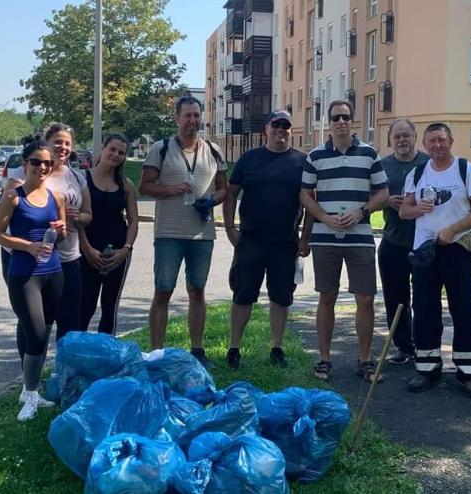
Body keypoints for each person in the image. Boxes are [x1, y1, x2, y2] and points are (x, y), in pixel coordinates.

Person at [300, 100, 389, 383]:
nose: (341, 122)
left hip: (360, 238)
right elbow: (304, 195)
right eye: (336, 117)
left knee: (365, 298)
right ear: (329, 122)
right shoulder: (315, 156)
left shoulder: (369, 154)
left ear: (353, 121)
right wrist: (324, 218)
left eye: (346, 117)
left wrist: (362, 211)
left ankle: (364, 360)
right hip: (325, 237)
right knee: (327, 297)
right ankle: (324, 359)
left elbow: (383, 193)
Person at [399, 123, 471, 397]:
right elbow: (404, 211)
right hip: (425, 250)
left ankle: (469, 372)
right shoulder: (417, 172)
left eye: (441, 140)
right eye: (431, 142)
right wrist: (417, 209)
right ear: (424, 145)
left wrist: (453, 230)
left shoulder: (465, 169)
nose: (437, 146)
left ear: (451, 140)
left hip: (458, 248)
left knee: (463, 308)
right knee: (425, 309)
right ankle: (426, 368)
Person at [139, 95, 228, 366]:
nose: (192, 120)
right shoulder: (161, 148)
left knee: (197, 290)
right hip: (169, 233)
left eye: (196, 115)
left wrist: (211, 200)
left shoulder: (213, 150)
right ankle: (156, 353)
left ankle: (197, 351)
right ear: (177, 118)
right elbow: (144, 186)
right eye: (187, 115)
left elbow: (225, 189)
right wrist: (170, 190)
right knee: (163, 290)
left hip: (202, 234)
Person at [222, 110, 308, 369]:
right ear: (266, 130)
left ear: (291, 130)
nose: (281, 129)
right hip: (250, 240)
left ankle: (277, 348)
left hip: (285, 242)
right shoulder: (249, 159)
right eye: (276, 124)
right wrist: (229, 228)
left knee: (281, 297)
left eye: (286, 125)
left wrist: (306, 237)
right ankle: (234, 348)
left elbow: (310, 199)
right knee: (243, 294)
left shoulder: (302, 162)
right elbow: (230, 194)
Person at [0, 139, 67, 421]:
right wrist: (28, 246)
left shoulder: (56, 198)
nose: (42, 167)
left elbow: (61, 234)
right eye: (36, 162)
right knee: (33, 333)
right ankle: (30, 393)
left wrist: (61, 229)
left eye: (47, 163)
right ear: (25, 165)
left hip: (53, 272)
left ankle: (31, 390)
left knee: (45, 331)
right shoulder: (14, 196)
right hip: (24, 274)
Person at [7, 123, 93, 339]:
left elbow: (87, 215)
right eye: (58, 142)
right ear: (46, 143)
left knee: (70, 323)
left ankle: (64, 371)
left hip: (68, 257)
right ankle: (31, 371)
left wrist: (75, 217)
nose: (62, 147)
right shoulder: (26, 171)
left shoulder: (76, 177)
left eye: (67, 143)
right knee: (33, 325)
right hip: (31, 259)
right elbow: (8, 214)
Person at [376, 118, 429, 365]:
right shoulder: (382, 165)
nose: (401, 141)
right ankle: (403, 346)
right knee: (395, 298)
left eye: (406, 135)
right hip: (393, 240)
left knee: (424, 297)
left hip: (424, 243)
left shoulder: (429, 163)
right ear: (390, 140)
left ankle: (426, 345)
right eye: (397, 137)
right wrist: (386, 201)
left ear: (415, 137)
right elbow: (370, 196)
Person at [79, 133, 139, 334]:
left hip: (117, 254)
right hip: (87, 252)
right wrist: (87, 249)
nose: (115, 155)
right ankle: (78, 356)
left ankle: (106, 355)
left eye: (121, 152)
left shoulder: (126, 185)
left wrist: (126, 250)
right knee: (84, 306)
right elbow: (77, 220)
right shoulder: (82, 180)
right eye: (112, 149)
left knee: (110, 307)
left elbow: (133, 221)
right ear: (103, 149)